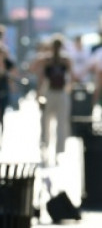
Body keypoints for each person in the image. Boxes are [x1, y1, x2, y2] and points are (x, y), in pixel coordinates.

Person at [32, 35, 73, 167]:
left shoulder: (59, 60)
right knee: (54, 124)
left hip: (55, 93)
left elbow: (39, 76)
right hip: (55, 93)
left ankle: (52, 150)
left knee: (50, 123)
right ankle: (51, 150)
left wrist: (39, 94)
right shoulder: (51, 59)